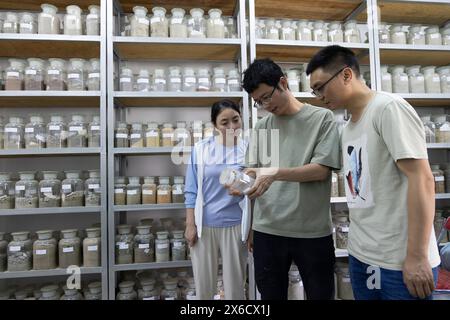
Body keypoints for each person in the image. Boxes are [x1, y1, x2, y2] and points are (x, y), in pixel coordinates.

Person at [307, 45, 441, 300]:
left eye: (320, 87)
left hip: (399, 263)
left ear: (346, 75)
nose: (318, 96)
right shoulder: (347, 128)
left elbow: (422, 179)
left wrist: (416, 256)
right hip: (362, 257)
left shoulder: (388, 109)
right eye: (314, 90)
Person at [237, 58, 341, 300]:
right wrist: (239, 182)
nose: (264, 105)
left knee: (320, 294)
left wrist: (275, 173)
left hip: (312, 232)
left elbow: (321, 170)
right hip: (267, 230)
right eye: (258, 102)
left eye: (266, 97)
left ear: (283, 83)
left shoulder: (322, 118)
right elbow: (252, 173)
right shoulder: (262, 127)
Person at [184, 99, 248, 300]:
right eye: (225, 122)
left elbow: (256, 190)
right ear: (214, 125)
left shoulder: (249, 148)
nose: (232, 127)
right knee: (204, 286)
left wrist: (252, 228)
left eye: (236, 120)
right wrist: (190, 224)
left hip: (236, 225)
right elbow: (191, 190)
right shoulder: (201, 149)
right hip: (205, 225)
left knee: (235, 287)